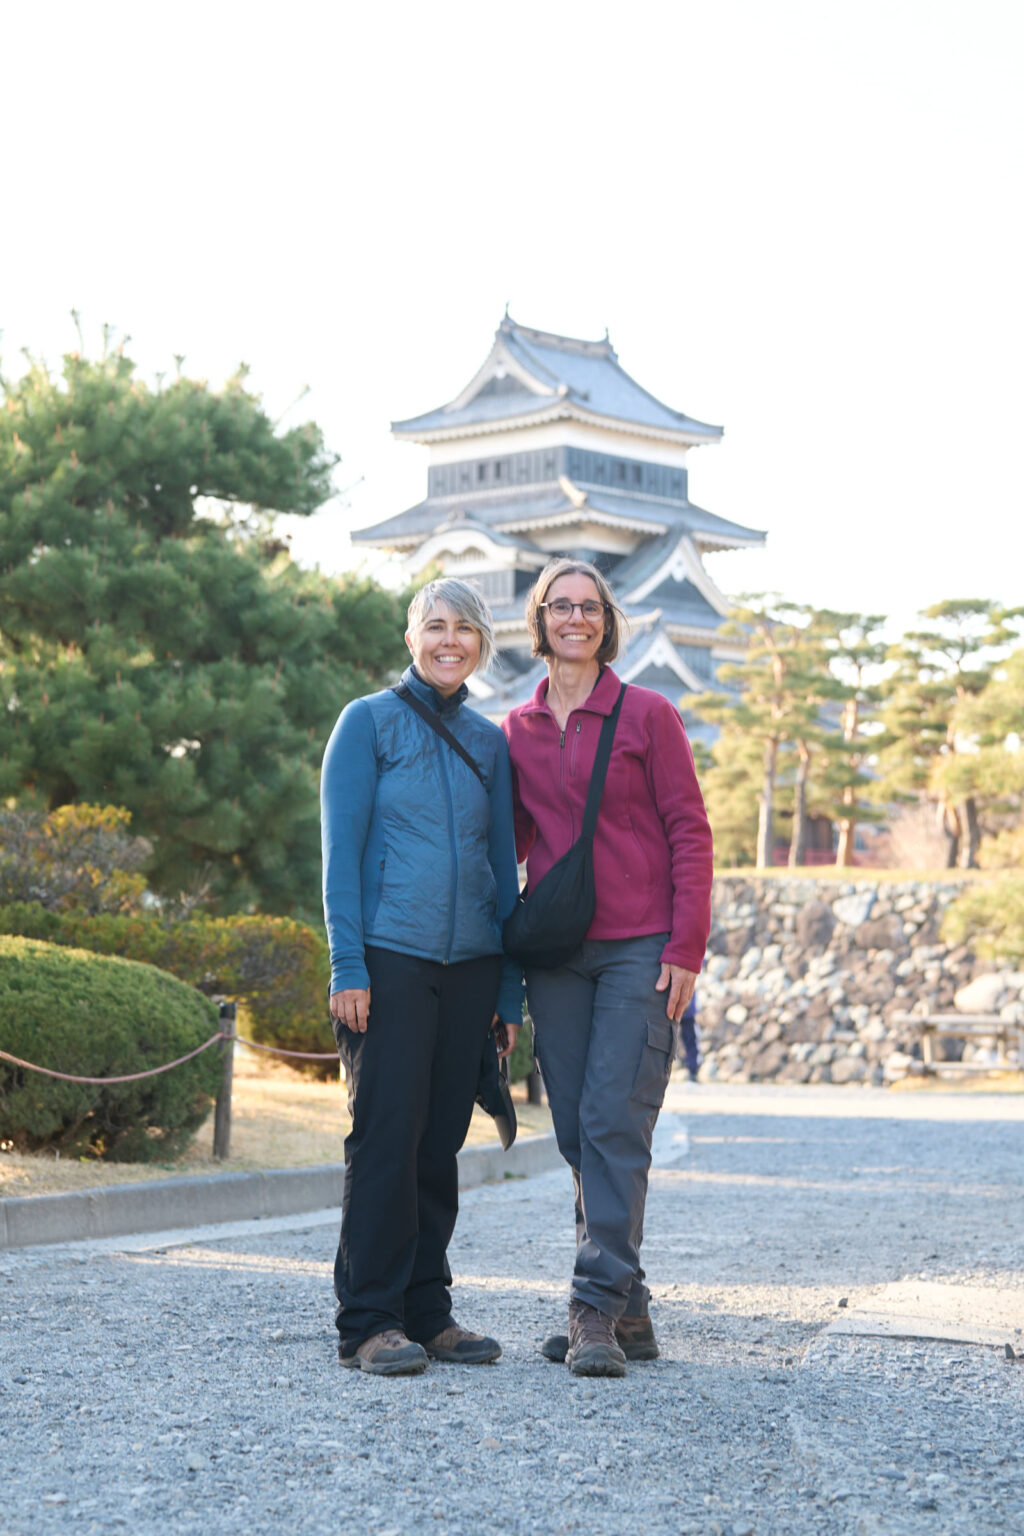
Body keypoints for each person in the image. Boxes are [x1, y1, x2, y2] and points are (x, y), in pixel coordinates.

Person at [502, 557, 713, 1376]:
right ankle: (631, 1309)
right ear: (541, 620)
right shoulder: (514, 731)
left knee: (616, 1121)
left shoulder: (648, 713)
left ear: (606, 620)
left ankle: (592, 1309)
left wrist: (685, 946)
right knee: (575, 1131)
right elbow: (509, 847)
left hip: (639, 948)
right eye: (561, 606)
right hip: (558, 956)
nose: (576, 618)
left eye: (590, 607)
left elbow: (689, 832)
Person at [321, 578, 523, 1377]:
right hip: (390, 959)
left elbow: (502, 867)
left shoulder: (489, 740)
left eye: (464, 629)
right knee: (385, 1141)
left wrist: (507, 992)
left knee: (439, 1144)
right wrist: (348, 963)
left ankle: (427, 1311)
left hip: (471, 965)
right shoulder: (364, 722)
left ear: (482, 643)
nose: (449, 641)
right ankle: (368, 1320)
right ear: (411, 638)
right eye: (434, 627)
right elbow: (341, 854)